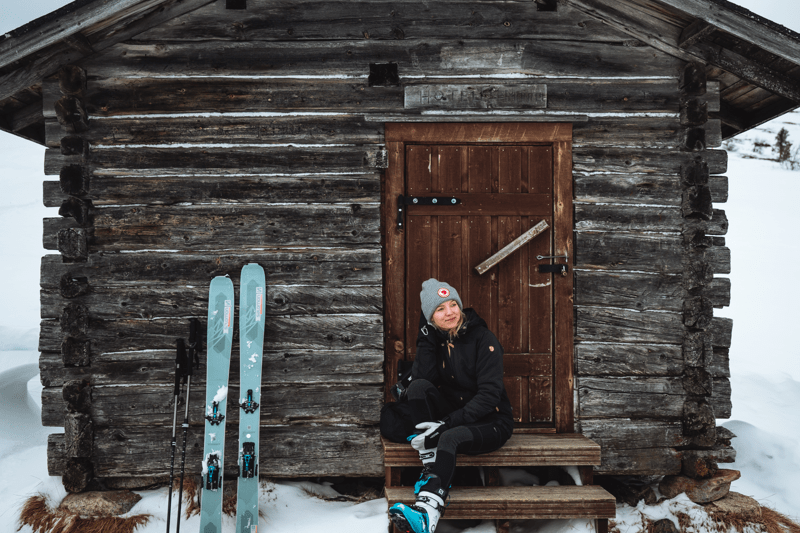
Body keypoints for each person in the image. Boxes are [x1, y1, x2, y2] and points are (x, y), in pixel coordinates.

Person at [384, 278, 514, 533]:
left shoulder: (483, 338)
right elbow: (422, 381)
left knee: (449, 438)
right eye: (440, 309)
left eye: (453, 304)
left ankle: (426, 514)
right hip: (457, 414)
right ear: (431, 318)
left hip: (492, 421)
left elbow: (489, 396)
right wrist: (426, 338)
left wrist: (446, 424)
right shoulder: (437, 339)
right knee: (418, 388)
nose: (450, 312)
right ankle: (432, 467)